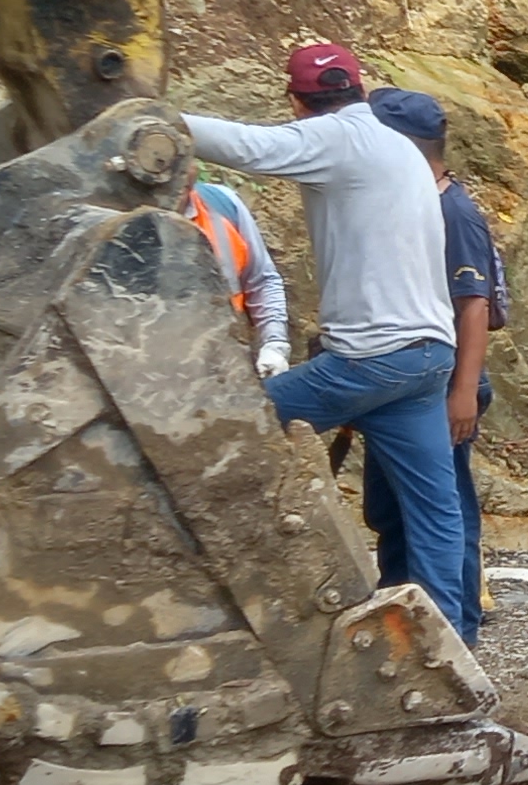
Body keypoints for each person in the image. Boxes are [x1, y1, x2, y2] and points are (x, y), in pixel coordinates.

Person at [178, 39, 468, 623]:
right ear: (360, 88)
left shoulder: (336, 137)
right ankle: (453, 641)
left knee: (224, 428)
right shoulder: (399, 146)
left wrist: (151, 116)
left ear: (296, 101)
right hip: (429, 357)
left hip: (369, 360)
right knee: (435, 511)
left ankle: (207, 593)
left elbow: (248, 147)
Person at [370, 87, 500, 638]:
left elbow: (475, 306)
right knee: (393, 510)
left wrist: (463, 393)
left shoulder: (453, 212)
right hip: (410, 382)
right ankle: (400, 615)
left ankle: (457, 626)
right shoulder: (415, 202)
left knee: (444, 512)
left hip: (445, 385)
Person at [186, 176, 289, 380]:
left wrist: (274, 343)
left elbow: (261, 281)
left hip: (222, 360)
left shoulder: (221, 204)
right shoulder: (121, 221)